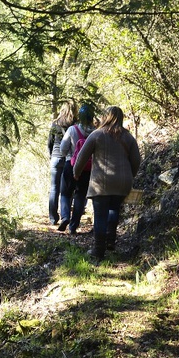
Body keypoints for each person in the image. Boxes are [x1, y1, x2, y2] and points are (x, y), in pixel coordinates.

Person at [72, 105, 141, 260]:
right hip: (123, 182)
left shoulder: (97, 135)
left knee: (101, 214)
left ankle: (98, 250)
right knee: (114, 209)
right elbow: (136, 160)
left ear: (105, 117)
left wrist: (76, 173)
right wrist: (130, 176)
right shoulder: (128, 137)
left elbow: (82, 156)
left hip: (101, 182)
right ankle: (110, 241)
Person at [56, 103, 95, 233]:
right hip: (88, 168)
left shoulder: (72, 130)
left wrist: (70, 155)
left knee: (66, 193)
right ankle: (73, 226)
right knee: (80, 195)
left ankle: (65, 217)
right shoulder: (96, 132)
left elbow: (62, 149)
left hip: (70, 164)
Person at [46, 100, 77, 225]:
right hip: (68, 159)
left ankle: (53, 218)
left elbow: (50, 142)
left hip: (55, 158)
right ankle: (66, 215)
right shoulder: (74, 124)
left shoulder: (55, 123)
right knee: (67, 189)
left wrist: (51, 155)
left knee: (54, 189)